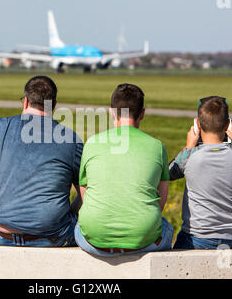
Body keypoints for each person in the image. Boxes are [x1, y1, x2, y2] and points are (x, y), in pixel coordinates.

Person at [0, 75, 83, 247]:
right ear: (52, 106)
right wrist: (68, 213)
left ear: (25, 101)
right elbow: (85, 192)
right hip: (52, 236)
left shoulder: (0, 127)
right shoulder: (70, 138)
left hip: (2, 235)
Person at [74, 83, 173, 257]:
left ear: (112, 112)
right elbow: (161, 202)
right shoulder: (157, 146)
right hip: (142, 239)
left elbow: (84, 194)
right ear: (142, 113)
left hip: (95, 240)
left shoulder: (92, 143)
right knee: (166, 227)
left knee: (77, 225)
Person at [169, 96, 232, 250]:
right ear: (227, 125)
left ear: (197, 124)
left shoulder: (189, 155)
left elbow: (168, 173)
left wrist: (189, 146)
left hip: (197, 237)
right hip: (231, 238)